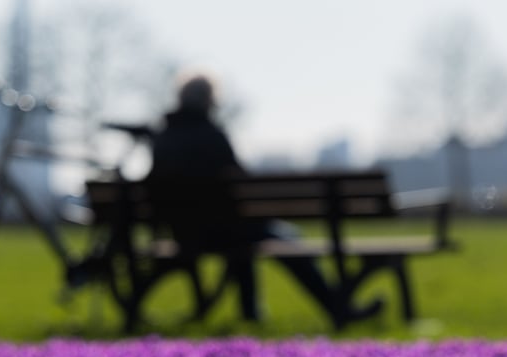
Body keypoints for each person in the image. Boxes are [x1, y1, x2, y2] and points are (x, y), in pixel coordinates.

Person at [146, 73, 382, 327]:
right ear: (209, 101)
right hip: (225, 229)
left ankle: (250, 312)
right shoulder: (212, 135)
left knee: (243, 237)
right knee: (283, 238)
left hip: (185, 233)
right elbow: (242, 183)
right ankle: (337, 308)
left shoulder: (163, 139)